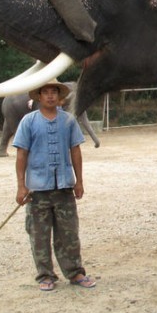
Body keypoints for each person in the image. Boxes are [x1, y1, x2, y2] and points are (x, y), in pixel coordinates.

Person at [12, 79, 97, 291]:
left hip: (64, 188)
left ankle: (75, 272)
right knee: (38, 234)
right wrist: (21, 186)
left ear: (60, 97)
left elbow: (75, 151)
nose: (50, 96)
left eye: (54, 92)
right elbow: (21, 154)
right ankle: (45, 275)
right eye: (46, 92)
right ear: (39, 97)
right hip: (37, 190)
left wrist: (79, 181)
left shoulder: (69, 121)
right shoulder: (28, 122)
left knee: (68, 233)